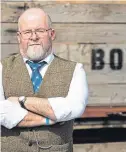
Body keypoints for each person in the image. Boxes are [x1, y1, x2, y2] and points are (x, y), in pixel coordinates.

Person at [0, 8, 88, 152]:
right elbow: (2, 113)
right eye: (27, 32)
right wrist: (49, 118)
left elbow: (74, 108)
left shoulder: (75, 70)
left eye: (40, 30)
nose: (34, 37)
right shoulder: (1, 67)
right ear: (19, 37)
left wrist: (22, 100)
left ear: (51, 34)